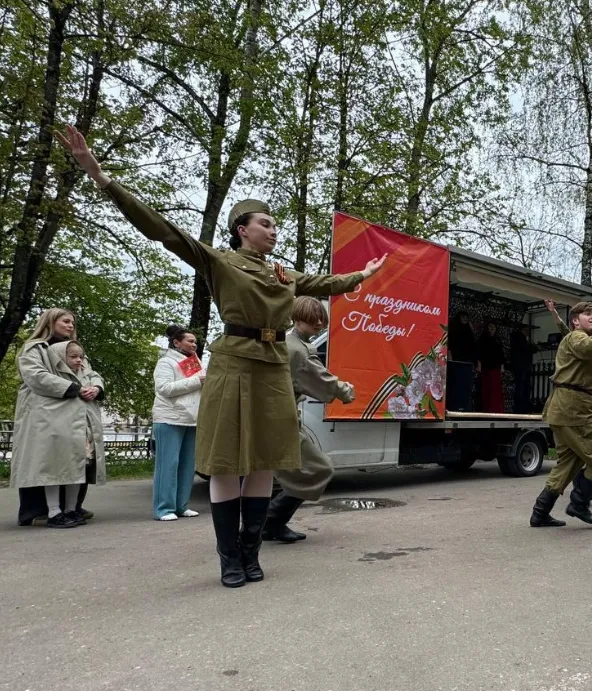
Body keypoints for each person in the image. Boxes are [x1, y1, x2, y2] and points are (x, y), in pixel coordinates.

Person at [58, 124, 386, 587]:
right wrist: (100, 177)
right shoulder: (220, 260)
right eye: (266, 224)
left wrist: (362, 275)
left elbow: (324, 283)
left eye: (274, 225)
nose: (273, 230)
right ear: (242, 229)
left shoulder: (282, 273)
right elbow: (163, 230)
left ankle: (252, 554)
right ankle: (229, 558)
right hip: (234, 361)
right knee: (230, 461)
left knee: (264, 461)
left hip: (272, 366)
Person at [264, 297, 356, 542]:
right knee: (318, 468)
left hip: (270, 417)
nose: (318, 323)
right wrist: (347, 390)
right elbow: (321, 379)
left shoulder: (285, 340)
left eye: (321, 319)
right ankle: (269, 522)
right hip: (281, 420)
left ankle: (266, 524)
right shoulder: (298, 349)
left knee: (265, 475)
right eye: (312, 318)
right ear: (297, 317)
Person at [528, 302, 592, 529]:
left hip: (567, 409)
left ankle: (540, 513)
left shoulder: (580, 345)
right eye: (587, 314)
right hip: (573, 410)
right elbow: (591, 348)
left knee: (568, 464)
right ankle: (579, 503)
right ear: (575, 321)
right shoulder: (576, 338)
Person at [11, 332, 106, 528]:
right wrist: (75, 388)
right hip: (53, 423)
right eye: (65, 321)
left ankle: (72, 508)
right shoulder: (38, 350)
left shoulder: (80, 364)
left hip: (78, 427)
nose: (79, 360)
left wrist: (96, 388)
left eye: (81, 356)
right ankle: (51, 511)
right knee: (51, 467)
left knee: (77, 468)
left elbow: (93, 375)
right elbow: (38, 378)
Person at [151, 324, 204, 521]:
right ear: (176, 342)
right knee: (169, 465)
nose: (194, 344)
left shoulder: (193, 362)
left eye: (195, 342)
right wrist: (198, 381)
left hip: (191, 419)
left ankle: (181, 506)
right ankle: (164, 509)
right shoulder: (166, 362)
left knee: (187, 465)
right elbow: (164, 389)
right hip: (169, 418)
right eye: (190, 341)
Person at [477, 322, 505, 413]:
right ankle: (487, 409)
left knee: (495, 389)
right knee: (487, 388)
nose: (492, 328)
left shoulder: (497, 340)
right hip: (486, 366)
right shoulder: (483, 339)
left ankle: (496, 409)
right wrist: (479, 365)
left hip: (495, 367)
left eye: (494, 326)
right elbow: (479, 353)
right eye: (490, 326)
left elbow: (501, 355)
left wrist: (502, 366)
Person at [509, 326, 535, 413]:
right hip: (522, 366)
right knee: (522, 387)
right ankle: (521, 408)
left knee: (522, 386)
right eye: (526, 330)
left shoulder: (517, 339)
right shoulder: (521, 340)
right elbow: (527, 349)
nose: (528, 332)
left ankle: (521, 407)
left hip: (521, 366)